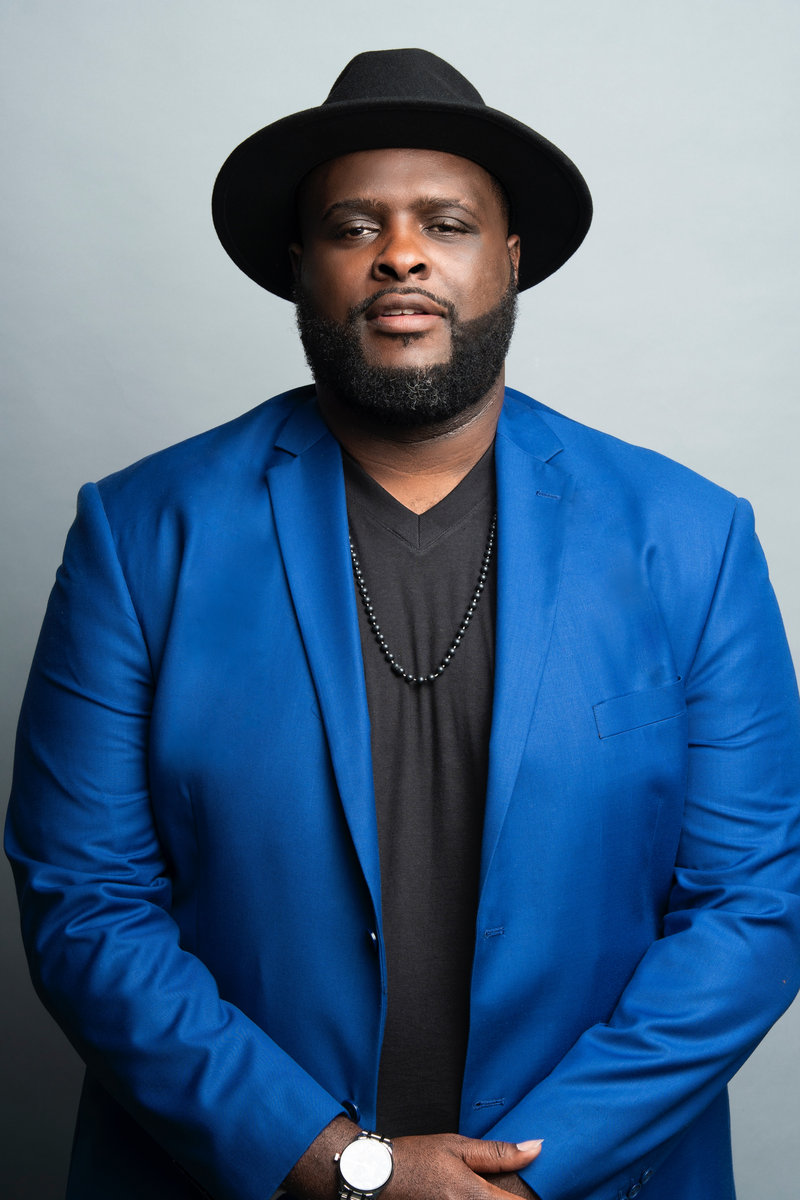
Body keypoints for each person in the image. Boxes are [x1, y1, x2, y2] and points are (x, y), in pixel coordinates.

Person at [5, 46, 800, 1200]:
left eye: (446, 222)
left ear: (509, 258)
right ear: (300, 269)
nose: (400, 254)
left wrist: (527, 1174)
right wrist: (336, 1164)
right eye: (352, 226)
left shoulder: (688, 538)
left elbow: (751, 903)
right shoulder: (139, 535)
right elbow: (85, 903)